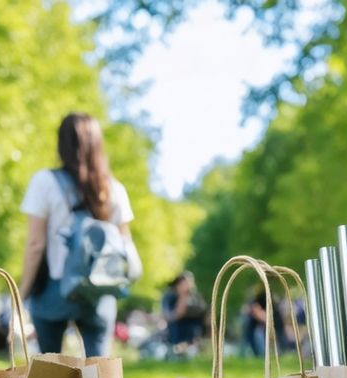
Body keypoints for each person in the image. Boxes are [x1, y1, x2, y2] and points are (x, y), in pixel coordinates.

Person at [19, 112, 137, 356]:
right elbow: (125, 243)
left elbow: (35, 244)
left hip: (55, 289)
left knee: (50, 374)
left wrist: (24, 291)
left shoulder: (45, 182)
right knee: (100, 373)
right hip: (100, 291)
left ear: (61, 144)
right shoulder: (114, 189)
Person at [161, 272, 207, 353]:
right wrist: (183, 297)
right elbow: (172, 316)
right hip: (176, 334)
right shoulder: (170, 297)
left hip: (194, 335)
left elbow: (204, 315)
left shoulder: (195, 297)